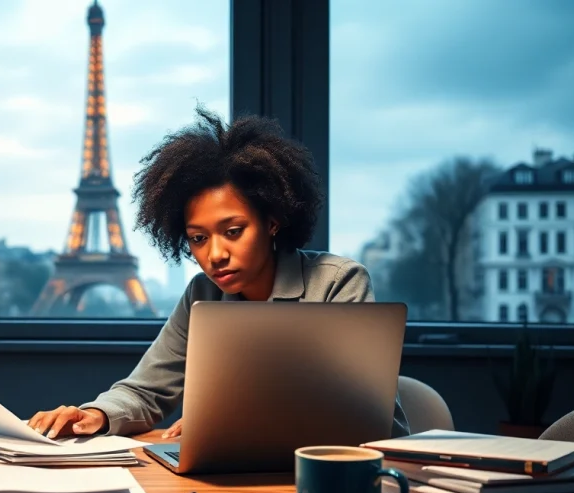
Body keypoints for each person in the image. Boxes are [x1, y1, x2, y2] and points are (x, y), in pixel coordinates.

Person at [27, 106, 410, 441]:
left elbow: (362, 415)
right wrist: (96, 414)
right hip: (231, 482)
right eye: (197, 237)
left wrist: (231, 423)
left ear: (273, 222)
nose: (214, 255)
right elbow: (145, 391)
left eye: (233, 232)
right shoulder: (201, 294)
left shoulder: (338, 282)